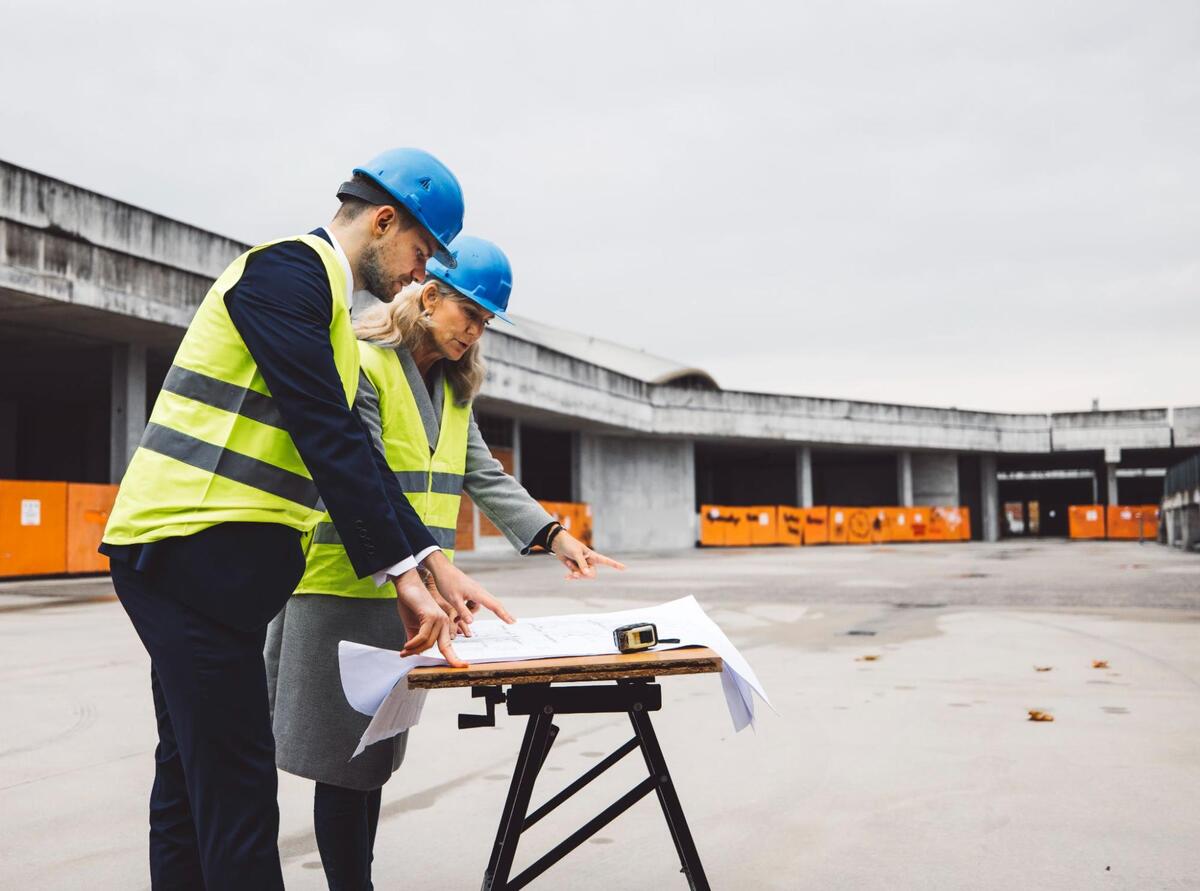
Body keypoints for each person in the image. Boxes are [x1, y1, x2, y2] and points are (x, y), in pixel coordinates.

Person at [99, 149, 512, 891]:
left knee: (190, 774)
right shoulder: (285, 273)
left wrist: (431, 564)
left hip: (210, 565)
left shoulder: (332, 317)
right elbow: (326, 432)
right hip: (186, 552)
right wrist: (403, 577)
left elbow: (358, 454)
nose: (419, 274)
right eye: (421, 252)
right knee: (239, 790)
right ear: (383, 222)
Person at [265, 235, 624, 890]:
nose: (476, 332)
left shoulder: (455, 389)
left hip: (415, 600)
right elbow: (366, 477)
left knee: (373, 759)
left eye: (487, 322)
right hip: (342, 587)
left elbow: (484, 474)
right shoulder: (363, 361)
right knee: (340, 764)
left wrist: (555, 536)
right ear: (429, 297)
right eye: (471, 314)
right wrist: (425, 570)